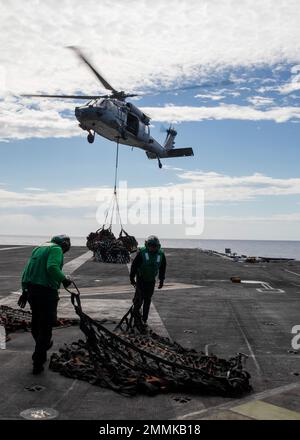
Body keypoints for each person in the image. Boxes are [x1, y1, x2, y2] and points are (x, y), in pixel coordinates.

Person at [18, 235, 72, 374]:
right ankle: (38, 360)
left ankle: (42, 347)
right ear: (64, 244)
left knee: (36, 323)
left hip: (32, 291)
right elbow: (52, 267)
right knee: (46, 326)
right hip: (47, 292)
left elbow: (26, 271)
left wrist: (24, 290)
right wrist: (64, 279)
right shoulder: (56, 249)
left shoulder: (39, 248)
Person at [130, 235, 166, 327]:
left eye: (154, 246)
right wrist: (132, 278)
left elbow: (162, 268)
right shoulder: (142, 253)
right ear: (147, 245)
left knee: (147, 300)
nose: (152, 248)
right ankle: (136, 319)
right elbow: (134, 266)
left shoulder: (161, 255)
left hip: (151, 281)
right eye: (150, 245)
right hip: (141, 280)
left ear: (158, 246)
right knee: (139, 300)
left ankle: (144, 319)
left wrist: (161, 280)